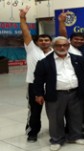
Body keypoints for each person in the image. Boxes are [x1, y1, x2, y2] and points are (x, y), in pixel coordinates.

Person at [33, 36, 84, 151]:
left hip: (75, 93)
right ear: (53, 47)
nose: (62, 47)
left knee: (76, 116)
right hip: (55, 94)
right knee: (55, 118)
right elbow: (38, 80)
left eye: (65, 45)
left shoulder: (77, 59)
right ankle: (56, 139)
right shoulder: (44, 62)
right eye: (59, 45)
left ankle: (75, 136)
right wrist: (38, 94)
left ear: (68, 46)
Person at [20, 6, 53, 142]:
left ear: (50, 42)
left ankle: (56, 130)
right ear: (37, 42)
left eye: (46, 40)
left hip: (52, 85)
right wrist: (22, 18)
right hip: (34, 85)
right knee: (35, 111)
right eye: (41, 40)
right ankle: (33, 132)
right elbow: (25, 32)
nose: (44, 42)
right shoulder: (32, 49)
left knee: (53, 111)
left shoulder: (55, 52)